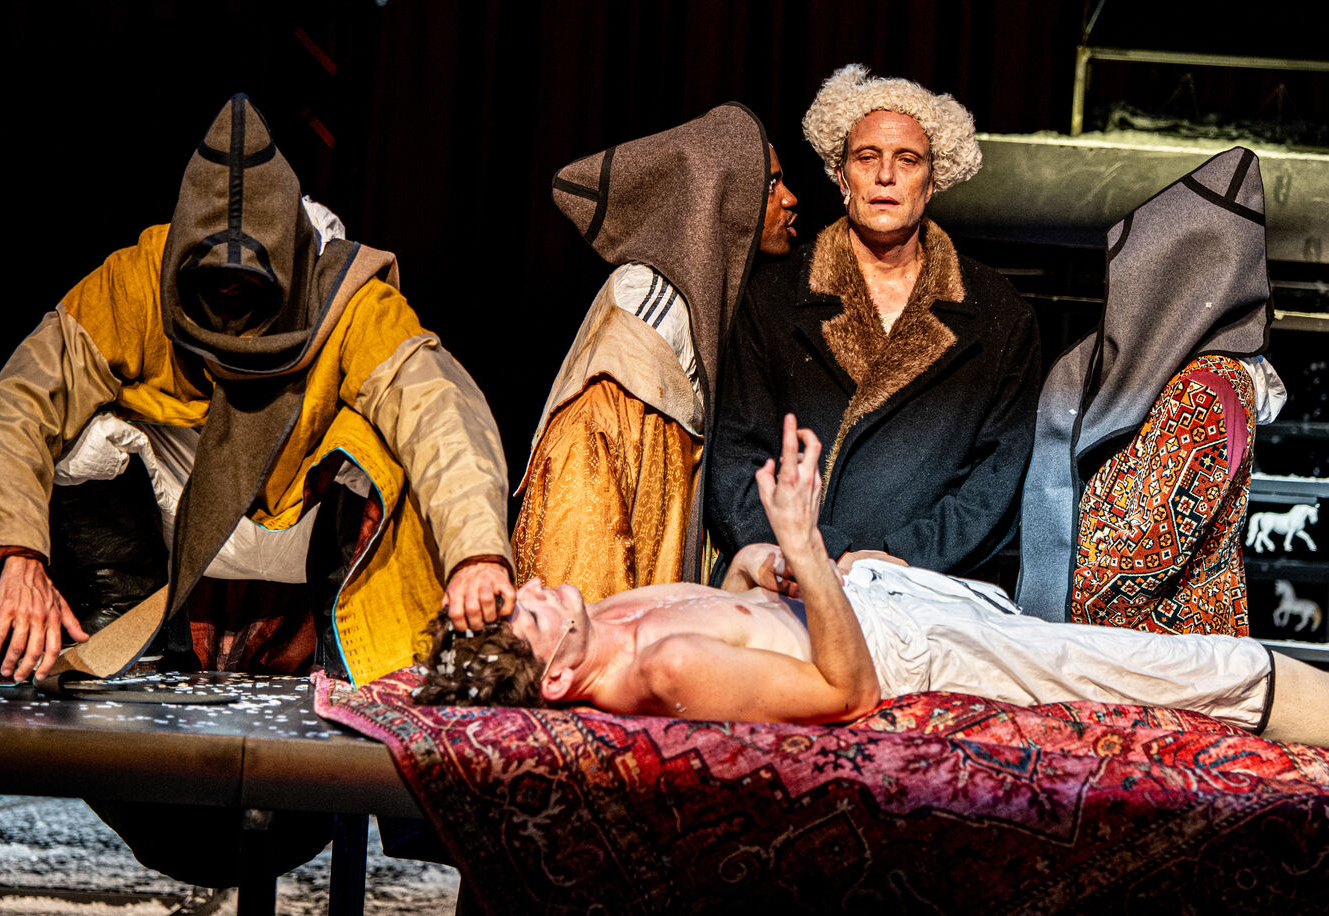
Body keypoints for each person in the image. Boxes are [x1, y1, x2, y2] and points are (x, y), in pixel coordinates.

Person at [0, 93, 514, 686]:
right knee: (79, 429)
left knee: (385, 436)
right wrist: (19, 555)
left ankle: (343, 644)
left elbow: (441, 411)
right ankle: (121, 617)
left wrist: (478, 554)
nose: (230, 292)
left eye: (248, 282)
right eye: (215, 281)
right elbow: (17, 404)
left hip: (303, 508)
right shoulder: (135, 282)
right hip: (181, 509)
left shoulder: (352, 302)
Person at [418, 415, 1327, 749]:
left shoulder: (602, 617)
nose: (533, 585)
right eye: (527, 614)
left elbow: (733, 600)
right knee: (1153, 668)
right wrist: (806, 550)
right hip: (897, 650)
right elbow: (844, 693)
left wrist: (761, 563)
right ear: (556, 681)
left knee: (1110, 652)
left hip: (866, 599)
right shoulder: (659, 671)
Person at [706, 64, 1040, 583]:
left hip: (927, 588)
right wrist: (823, 556)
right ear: (842, 177)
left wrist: (903, 560)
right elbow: (735, 459)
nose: (886, 175)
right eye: (867, 157)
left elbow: (998, 478)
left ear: (932, 181)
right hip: (790, 578)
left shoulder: (997, 315)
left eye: (907, 159)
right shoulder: (772, 299)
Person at [512, 104, 796, 605]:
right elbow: (577, 579)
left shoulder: (705, 323)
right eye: (771, 184)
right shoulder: (640, 337)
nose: (790, 199)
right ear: (723, 197)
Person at [1019, 147, 1284, 635]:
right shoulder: (1195, 381)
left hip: (1152, 655)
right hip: (1149, 649)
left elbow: (1129, 565)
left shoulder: (1205, 392)